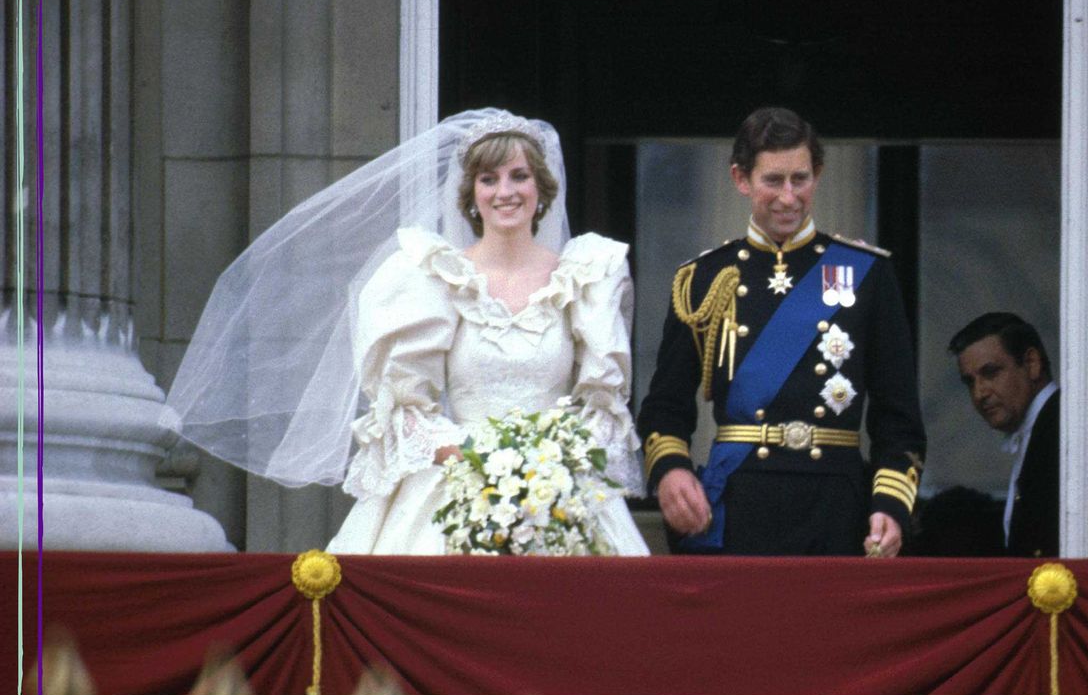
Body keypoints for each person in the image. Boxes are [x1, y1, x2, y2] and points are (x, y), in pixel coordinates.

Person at [164, 108, 649, 555]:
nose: (506, 191)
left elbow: (601, 409)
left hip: (559, 490)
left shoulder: (586, 276)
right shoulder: (431, 276)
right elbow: (403, 408)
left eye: (519, 176)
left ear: (541, 188)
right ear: (471, 194)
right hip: (456, 480)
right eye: (489, 178)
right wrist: (474, 460)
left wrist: (547, 465)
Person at [636, 107, 926, 556]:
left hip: (836, 507)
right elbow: (665, 407)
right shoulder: (706, 279)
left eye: (801, 179)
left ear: (818, 174)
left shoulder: (864, 273)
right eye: (773, 181)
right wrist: (672, 470)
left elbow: (899, 417)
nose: (788, 197)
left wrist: (890, 503)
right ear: (741, 178)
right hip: (740, 502)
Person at [948, 312, 1059, 558]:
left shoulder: (1062, 429)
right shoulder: (1039, 428)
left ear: (1032, 364)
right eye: (969, 382)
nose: (979, 393)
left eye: (991, 373)